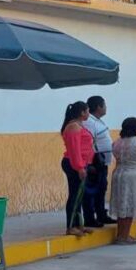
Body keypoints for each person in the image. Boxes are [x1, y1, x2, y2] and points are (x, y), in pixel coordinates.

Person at [109, 117, 136, 245]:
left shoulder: (116, 143)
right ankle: (125, 236)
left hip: (119, 174)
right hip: (134, 176)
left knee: (122, 204)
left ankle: (120, 234)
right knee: (129, 205)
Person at [60, 101, 94, 237]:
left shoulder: (79, 125)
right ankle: (70, 226)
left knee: (79, 195)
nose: (88, 114)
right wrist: (79, 168)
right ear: (82, 112)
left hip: (80, 163)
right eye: (87, 111)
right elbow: (74, 150)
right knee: (74, 195)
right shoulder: (73, 127)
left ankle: (79, 224)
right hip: (74, 163)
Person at [83, 95, 116, 227]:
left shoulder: (96, 120)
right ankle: (90, 217)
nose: (106, 108)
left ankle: (101, 214)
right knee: (92, 190)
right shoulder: (89, 122)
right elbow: (88, 142)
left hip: (102, 161)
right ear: (98, 107)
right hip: (94, 161)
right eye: (104, 105)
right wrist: (90, 163)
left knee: (101, 188)